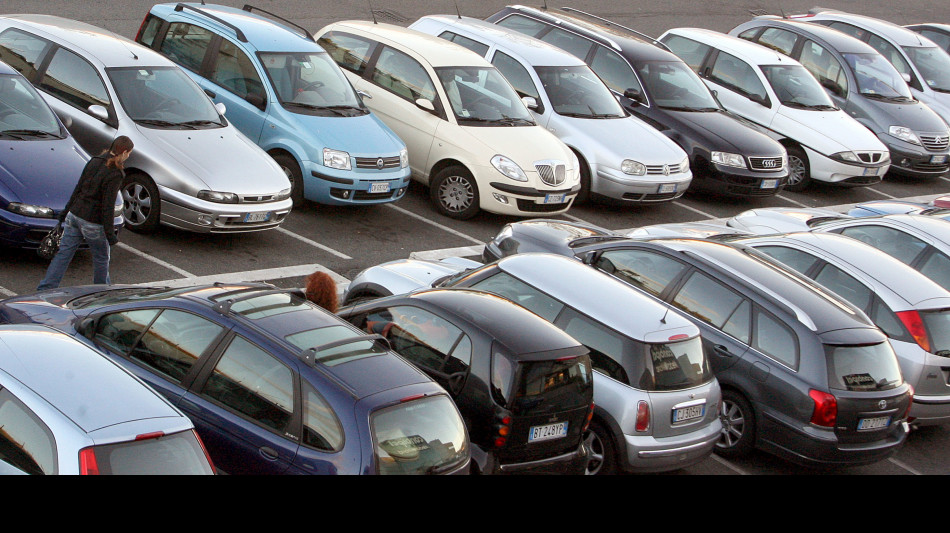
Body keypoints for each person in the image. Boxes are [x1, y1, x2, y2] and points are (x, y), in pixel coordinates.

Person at [37, 136, 134, 291]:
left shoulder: (94, 160)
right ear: (123, 152)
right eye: (129, 153)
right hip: (93, 222)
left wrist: (65, 212)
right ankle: (101, 292)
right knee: (101, 258)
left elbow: (79, 187)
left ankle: (45, 288)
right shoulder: (115, 173)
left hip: (74, 215)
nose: (128, 156)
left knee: (64, 254)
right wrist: (110, 235)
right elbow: (107, 205)